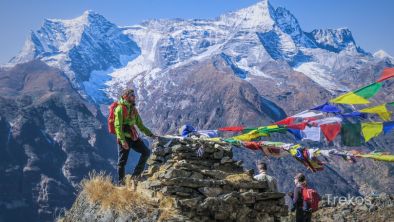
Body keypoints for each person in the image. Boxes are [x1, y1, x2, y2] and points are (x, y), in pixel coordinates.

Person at [114, 88, 157, 185]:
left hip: (133, 137)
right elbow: (117, 126)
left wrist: (151, 134)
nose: (134, 97)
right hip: (124, 138)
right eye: (132, 95)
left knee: (146, 152)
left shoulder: (133, 110)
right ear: (126, 97)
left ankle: (135, 176)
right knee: (122, 161)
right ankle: (121, 183)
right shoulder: (120, 109)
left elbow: (140, 125)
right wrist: (123, 141)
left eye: (134, 95)